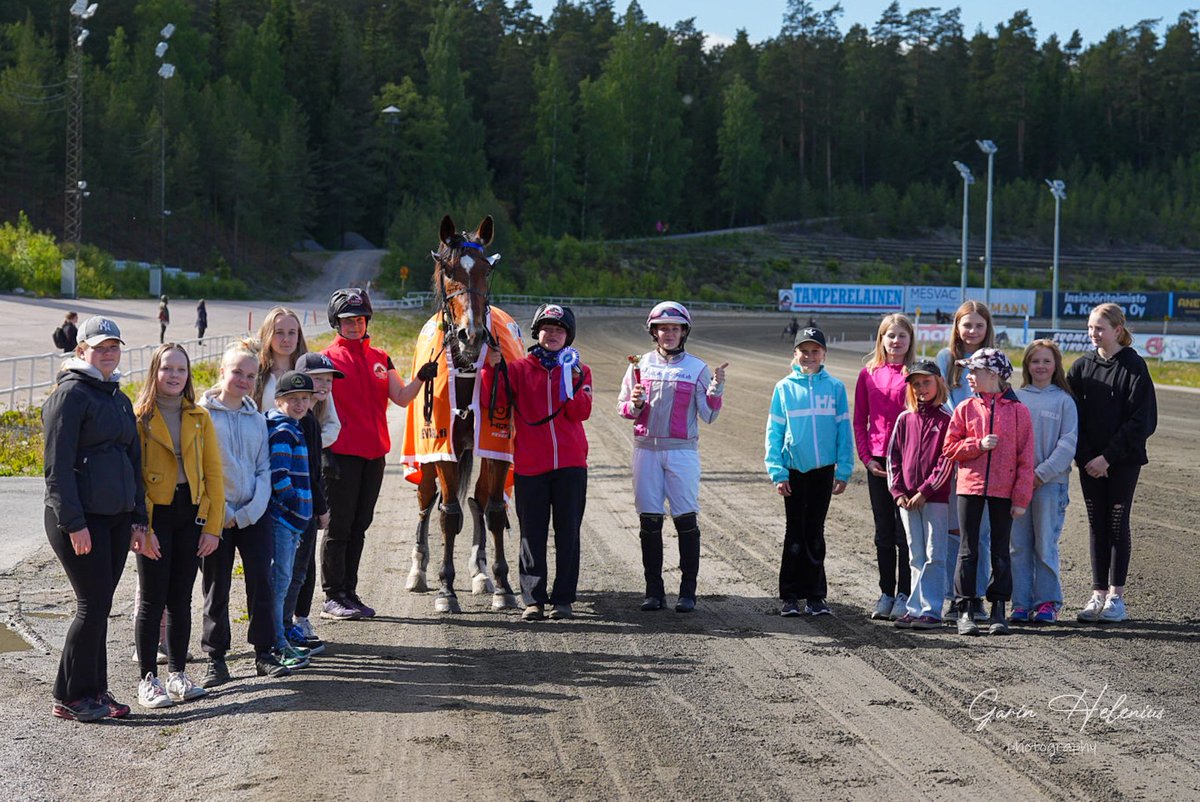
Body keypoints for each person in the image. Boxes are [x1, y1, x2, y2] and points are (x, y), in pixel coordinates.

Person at [42, 316, 148, 721]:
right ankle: (70, 695)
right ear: (81, 350)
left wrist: (138, 518)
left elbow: (132, 461)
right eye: (100, 346)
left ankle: (94, 690)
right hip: (79, 519)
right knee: (92, 604)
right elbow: (57, 469)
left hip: (116, 518)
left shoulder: (118, 397)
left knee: (100, 605)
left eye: (114, 346)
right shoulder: (69, 396)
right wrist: (74, 523)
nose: (108, 353)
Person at [481, 304, 593, 622]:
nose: (553, 334)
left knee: (568, 532)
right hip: (531, 465)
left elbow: (580, 413)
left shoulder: (580, 370)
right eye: (547, 329)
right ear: (537, 333)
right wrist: (491, 368)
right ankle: (533, 600)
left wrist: (570, 383)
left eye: (559, 330)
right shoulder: (517, 369)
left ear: (568, 336)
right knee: (532, 533)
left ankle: (563, 599)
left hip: (571, 464)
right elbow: (497, 401)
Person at [320, 288, 427, 620]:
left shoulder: (381, 357)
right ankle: (332, 596)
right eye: (348, 320)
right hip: (339, 455)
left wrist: (421, 377)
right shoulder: (326, 359)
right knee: (338, 526)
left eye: (360, 319)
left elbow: (402, 398)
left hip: (374, 456)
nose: (355, 325)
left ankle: (349, 592)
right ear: (336, 323)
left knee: (360, 525)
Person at [616, 301, 727, 613]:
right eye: (663, 328)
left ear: (684, 332)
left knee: (685, 520)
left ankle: (688, 593)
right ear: (654, 332)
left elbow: (708, 415)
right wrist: (634, 404)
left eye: (674, 328)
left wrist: (716, 390)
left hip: (681, 454)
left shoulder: (697, 369)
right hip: (645, 453)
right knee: (649, 521)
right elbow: (623, 408)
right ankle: (654, 591)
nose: (668, 333)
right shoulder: (639, 365)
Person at [132, 343, 225, 708]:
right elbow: (132, 476)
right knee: (152, 600)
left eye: (181, 370)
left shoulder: (200, 417)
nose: (174, 376)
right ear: (155, 372)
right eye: (167, 368)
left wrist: (213, 526)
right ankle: (147, 680)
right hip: (156, 516)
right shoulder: (140, 418)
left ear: (188, 376)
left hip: (192, 513)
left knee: (181, 599)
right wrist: (142, 527)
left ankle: (177, 675)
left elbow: (215, 474)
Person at [197, 340, 292, 688]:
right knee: (215, 585)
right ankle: (216, 657)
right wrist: (222, 513)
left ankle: (264, 653)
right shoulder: (202, 416)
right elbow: (199, 472)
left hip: (253, 514)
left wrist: (250, 512)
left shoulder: (257, 420)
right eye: (237, 372)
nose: (243, 379)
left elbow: (263, 469)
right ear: (222, 371)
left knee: (261, 582)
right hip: (215, 517)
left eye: (250, 375)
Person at [1067, 303, 1157, 624]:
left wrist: (1108, 457)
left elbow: (1141, 421)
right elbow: (1071, 417)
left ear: (1117, 330)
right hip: (1091, 463)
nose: (1093, 334)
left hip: (1122, 462)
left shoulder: (1134, 367)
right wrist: (1089, 457)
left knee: (1117, 525)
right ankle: (1097, 594)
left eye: (1100, 328)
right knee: (1096, 525)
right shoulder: (1080, 368)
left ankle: (1116, 598)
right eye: (1090, 328)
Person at [943, 348, 1034, 637]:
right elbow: (949, 449)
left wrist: (1021, 499)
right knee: (968, 550)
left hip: (1003, 490)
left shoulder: (1019, 412)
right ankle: (966, 608)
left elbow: (1025, 458)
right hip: (969, 487)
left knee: (1000, 551)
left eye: (974, 371)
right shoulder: (965, 408)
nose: (969, 376)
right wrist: (977, 446)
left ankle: (998, 609)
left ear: (993, 375)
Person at [764, 327, 852, 617]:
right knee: (795, 534)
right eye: (804, 351)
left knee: (815, 533)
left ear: (824, 354)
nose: (809, 356)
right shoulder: (784, 388)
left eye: (815, 351)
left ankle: (816, 596)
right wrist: (777, 471)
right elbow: (774, 431)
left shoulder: (835, 388)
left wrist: (844, 468)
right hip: (793, 469)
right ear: (795, 354)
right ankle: (789, 596)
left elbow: (843, 431)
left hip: (823, 470)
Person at [936, 300, 996, 619]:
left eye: (979, 325)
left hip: (985, 463)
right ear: (956, 327)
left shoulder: (994, 360)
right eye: (966, 324)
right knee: (954, 532)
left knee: (981, 534)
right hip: (954, 458)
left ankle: (977, 597)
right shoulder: (946, 360)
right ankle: (952, 596)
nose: (972, 331)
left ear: (988, 329)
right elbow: (942, 407)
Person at [1011, 339, 1078, 624]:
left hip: (1050, 484)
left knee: (1045, 543)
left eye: (1046, 361)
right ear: (1027, 365)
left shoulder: (1064, 400)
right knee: (1018, 545)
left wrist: (1041, 474)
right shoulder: (1016, 397)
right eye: (1035, 361)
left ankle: (1048, 602)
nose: (1040, 366)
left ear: (1055, 366)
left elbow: (1068, 443)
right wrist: (1021, 477)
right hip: (1017, 485)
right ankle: (1021, 602)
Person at [853, 313, 915, 621]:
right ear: (882, 339)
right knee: (883, 533)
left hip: (907, 464)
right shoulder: (869, 373)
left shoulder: (916, 373)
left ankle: (905, 593)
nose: (896, 341)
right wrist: (866, 458)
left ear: (910, 340)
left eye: (902, 336)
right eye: (891, 335)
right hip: (877, 463)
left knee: (905, 533)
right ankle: (886, 592)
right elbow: (860, 420)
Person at [887, 361, 955, 630]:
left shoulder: (947, 419)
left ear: (938, 382)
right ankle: (914, 608)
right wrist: (899, 492)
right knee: (915, 554)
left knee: (934, 553)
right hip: (906, 500)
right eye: (916, 384)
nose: (921, 388)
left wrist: (925, 491)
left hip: (935, 499)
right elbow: (894, 456)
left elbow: (946, 460)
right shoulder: (905, 418)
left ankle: (932, 609)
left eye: (926, 382)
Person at [282, 352, 341, 653]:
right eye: (317, 379)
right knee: (291, 572)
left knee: (301, 570)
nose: (323, 385)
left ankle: (291, 625)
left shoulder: (314, 417)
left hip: (304, 504)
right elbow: (303, 472)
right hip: (293, 507)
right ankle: (283, 631)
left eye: (328, 380)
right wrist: (320, 507)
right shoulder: (300, 419)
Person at [266, 371, 318, 668]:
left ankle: (281, 633)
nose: (299, 404)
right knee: (281, 581)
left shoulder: (294, 427)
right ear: (279, 400)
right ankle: (277, 641)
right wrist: (296, 504)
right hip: (284, 520)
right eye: (292, 399)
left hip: (293, 521)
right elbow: (279, 476)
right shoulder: (283, 430)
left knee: (285, 581)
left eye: (305, 398)